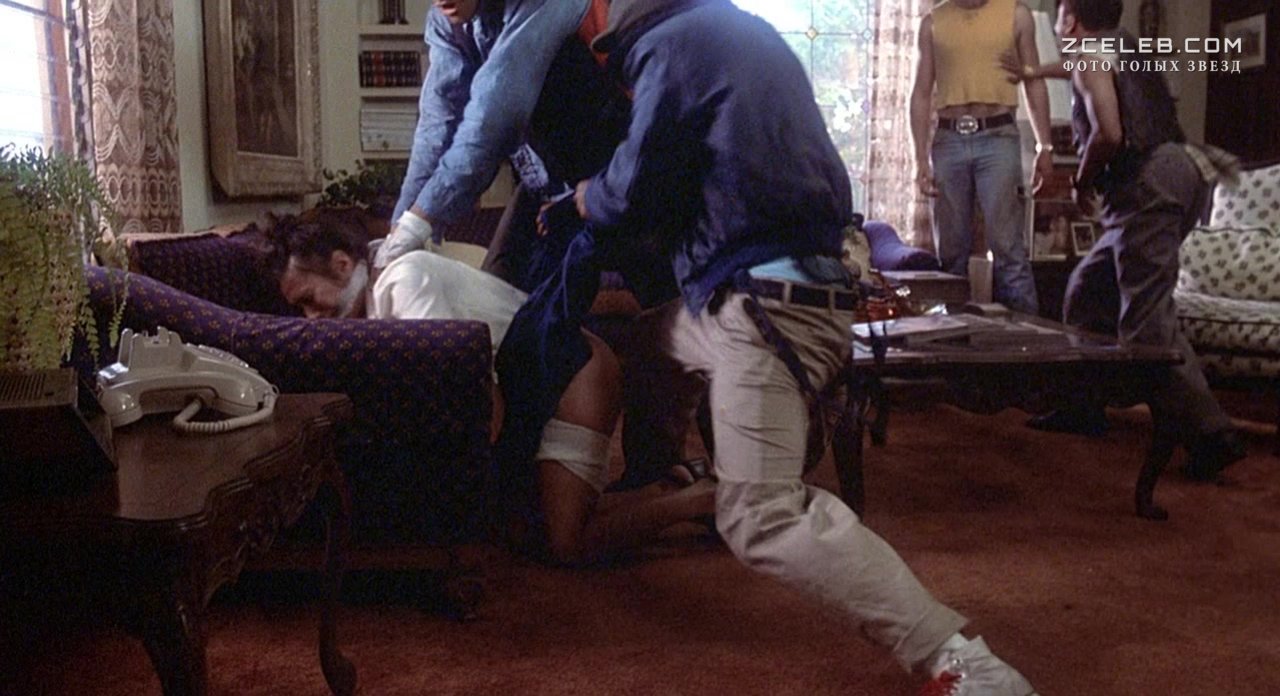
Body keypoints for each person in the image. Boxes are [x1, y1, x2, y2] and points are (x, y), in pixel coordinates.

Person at [575, 1, 1038, 693]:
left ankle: (962, 664)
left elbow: (630, 189)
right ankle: (659, 475)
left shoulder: (669, 47)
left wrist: (585, 196)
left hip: (767, 310)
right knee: (650, 343)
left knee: (760, 516)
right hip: (781, 292)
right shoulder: (744, 35)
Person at [264, 211, 715, 565]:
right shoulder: (378, 297)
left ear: (343, 265)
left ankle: (704, 500)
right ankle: (668, 485)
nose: (310, 320)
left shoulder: (405, 281)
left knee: (567, 544)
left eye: (309, 300)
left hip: (573, 373)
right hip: (535, 385)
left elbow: (479, 404)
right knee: (521, 531)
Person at [1004, 0, 1247, 479]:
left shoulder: (1089, 57)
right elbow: (1081, 70)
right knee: (1089, 289)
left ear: (1070, 19)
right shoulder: (1122, 46)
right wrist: (1035, 71)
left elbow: (1109, 133)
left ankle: (1210, 434)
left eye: (1060, 16)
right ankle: (1083, 405)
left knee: (1146, 321)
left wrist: (1081, 181)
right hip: (1183, 171)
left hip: (1146, 183)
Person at [376, 0, 666, 300]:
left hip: (616, 176)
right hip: (541, 183)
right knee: (499, 297)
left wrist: (420, 221)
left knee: (661, 300)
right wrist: (400, 229)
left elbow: (494, 115)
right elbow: (435, 125)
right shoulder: (443, 22)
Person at [910, 0, 1052, 315]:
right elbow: (920, 92)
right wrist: (920, 159)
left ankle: (1027, 339)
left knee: (1008, 250)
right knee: (951, 255)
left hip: (998, 137)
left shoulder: (1016, 15)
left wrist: (1045, 146)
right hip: (948, 140)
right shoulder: (933, 22)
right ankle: (954, 337)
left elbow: (1034, 81)